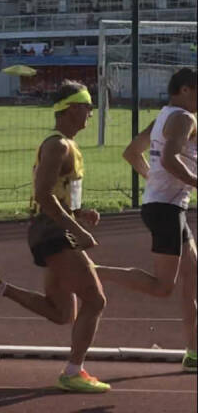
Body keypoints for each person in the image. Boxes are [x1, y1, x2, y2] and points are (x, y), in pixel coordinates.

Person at [0, 81, 111, 393]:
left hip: (52, 229)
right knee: (95, 300)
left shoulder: (69, 146)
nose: (91, 112)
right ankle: (73, 372)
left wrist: (82, 213)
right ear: (69, 108)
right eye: (86, 105)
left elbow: (61, 195)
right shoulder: (57, 146)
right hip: (52, 232)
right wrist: (77, 230)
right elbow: (43, 195)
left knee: (61, 313)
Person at [96, 68, 197, 373]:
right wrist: (192, 180)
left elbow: (131, 152)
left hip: (164, 205)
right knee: (163, 287)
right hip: (166, 209)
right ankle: (90, 271)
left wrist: (154, 182)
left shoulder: (165, 116)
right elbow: (169, 159)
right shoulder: (183, 117)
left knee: (192, 275)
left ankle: (193, 351)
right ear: (185, 89)